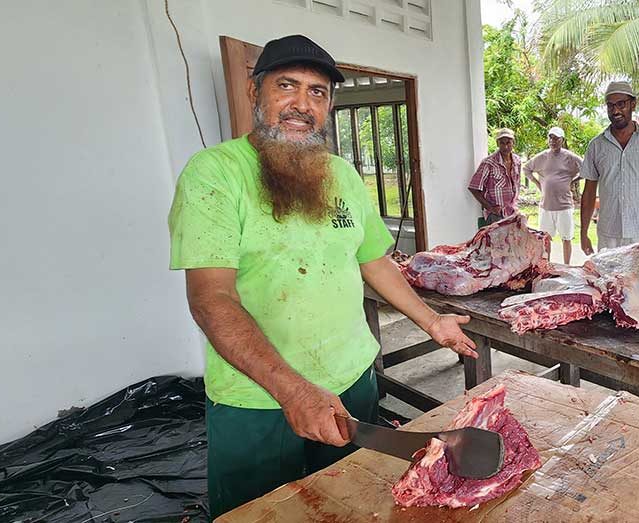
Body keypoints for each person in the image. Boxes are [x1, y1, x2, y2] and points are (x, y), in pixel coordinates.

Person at [167, 34, 477, 518]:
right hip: (258, 399)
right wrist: (293, 391)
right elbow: (212, 300)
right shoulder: (214, 174)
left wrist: (432, 322)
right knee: (262, 513)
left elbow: (373, 261)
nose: (302, 104)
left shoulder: (341, 175)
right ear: (255, 92)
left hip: (352, 381)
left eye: (317, 92)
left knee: (354, 505)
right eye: (286, 85)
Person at [579, 81, 639, 254]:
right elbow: (589, 192)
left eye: (621, 104)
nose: (615, 111)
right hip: (609, 235)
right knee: (611, 281)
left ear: (633, 104)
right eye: (610, 106)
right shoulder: (596, 146)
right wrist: (583, 232)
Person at [523, 127, 583, 264]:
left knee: (566, 238)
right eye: (550, 138)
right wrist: (538, 184)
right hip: (546, 207)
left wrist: (573, 180)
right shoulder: (542, 156)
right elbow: (526, 169)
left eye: (556, 138)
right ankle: (547, 266)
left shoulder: (570, 157)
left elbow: (587, 169)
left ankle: (566, 266)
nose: (553, 141)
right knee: (545, 238)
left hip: (564, 206)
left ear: (562, 140)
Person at [469, 128, 522, 226]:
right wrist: (490, 208)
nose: (505, 146)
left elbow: (517, 184)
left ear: (513, 143)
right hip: (496, 214)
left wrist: (516, 205)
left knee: (512, 240)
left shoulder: (517, 161)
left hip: (512, 211)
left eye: (508, 142)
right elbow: (473, 187)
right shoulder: (488, 163)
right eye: (502, 143)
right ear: (497, 144)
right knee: (496, 241)